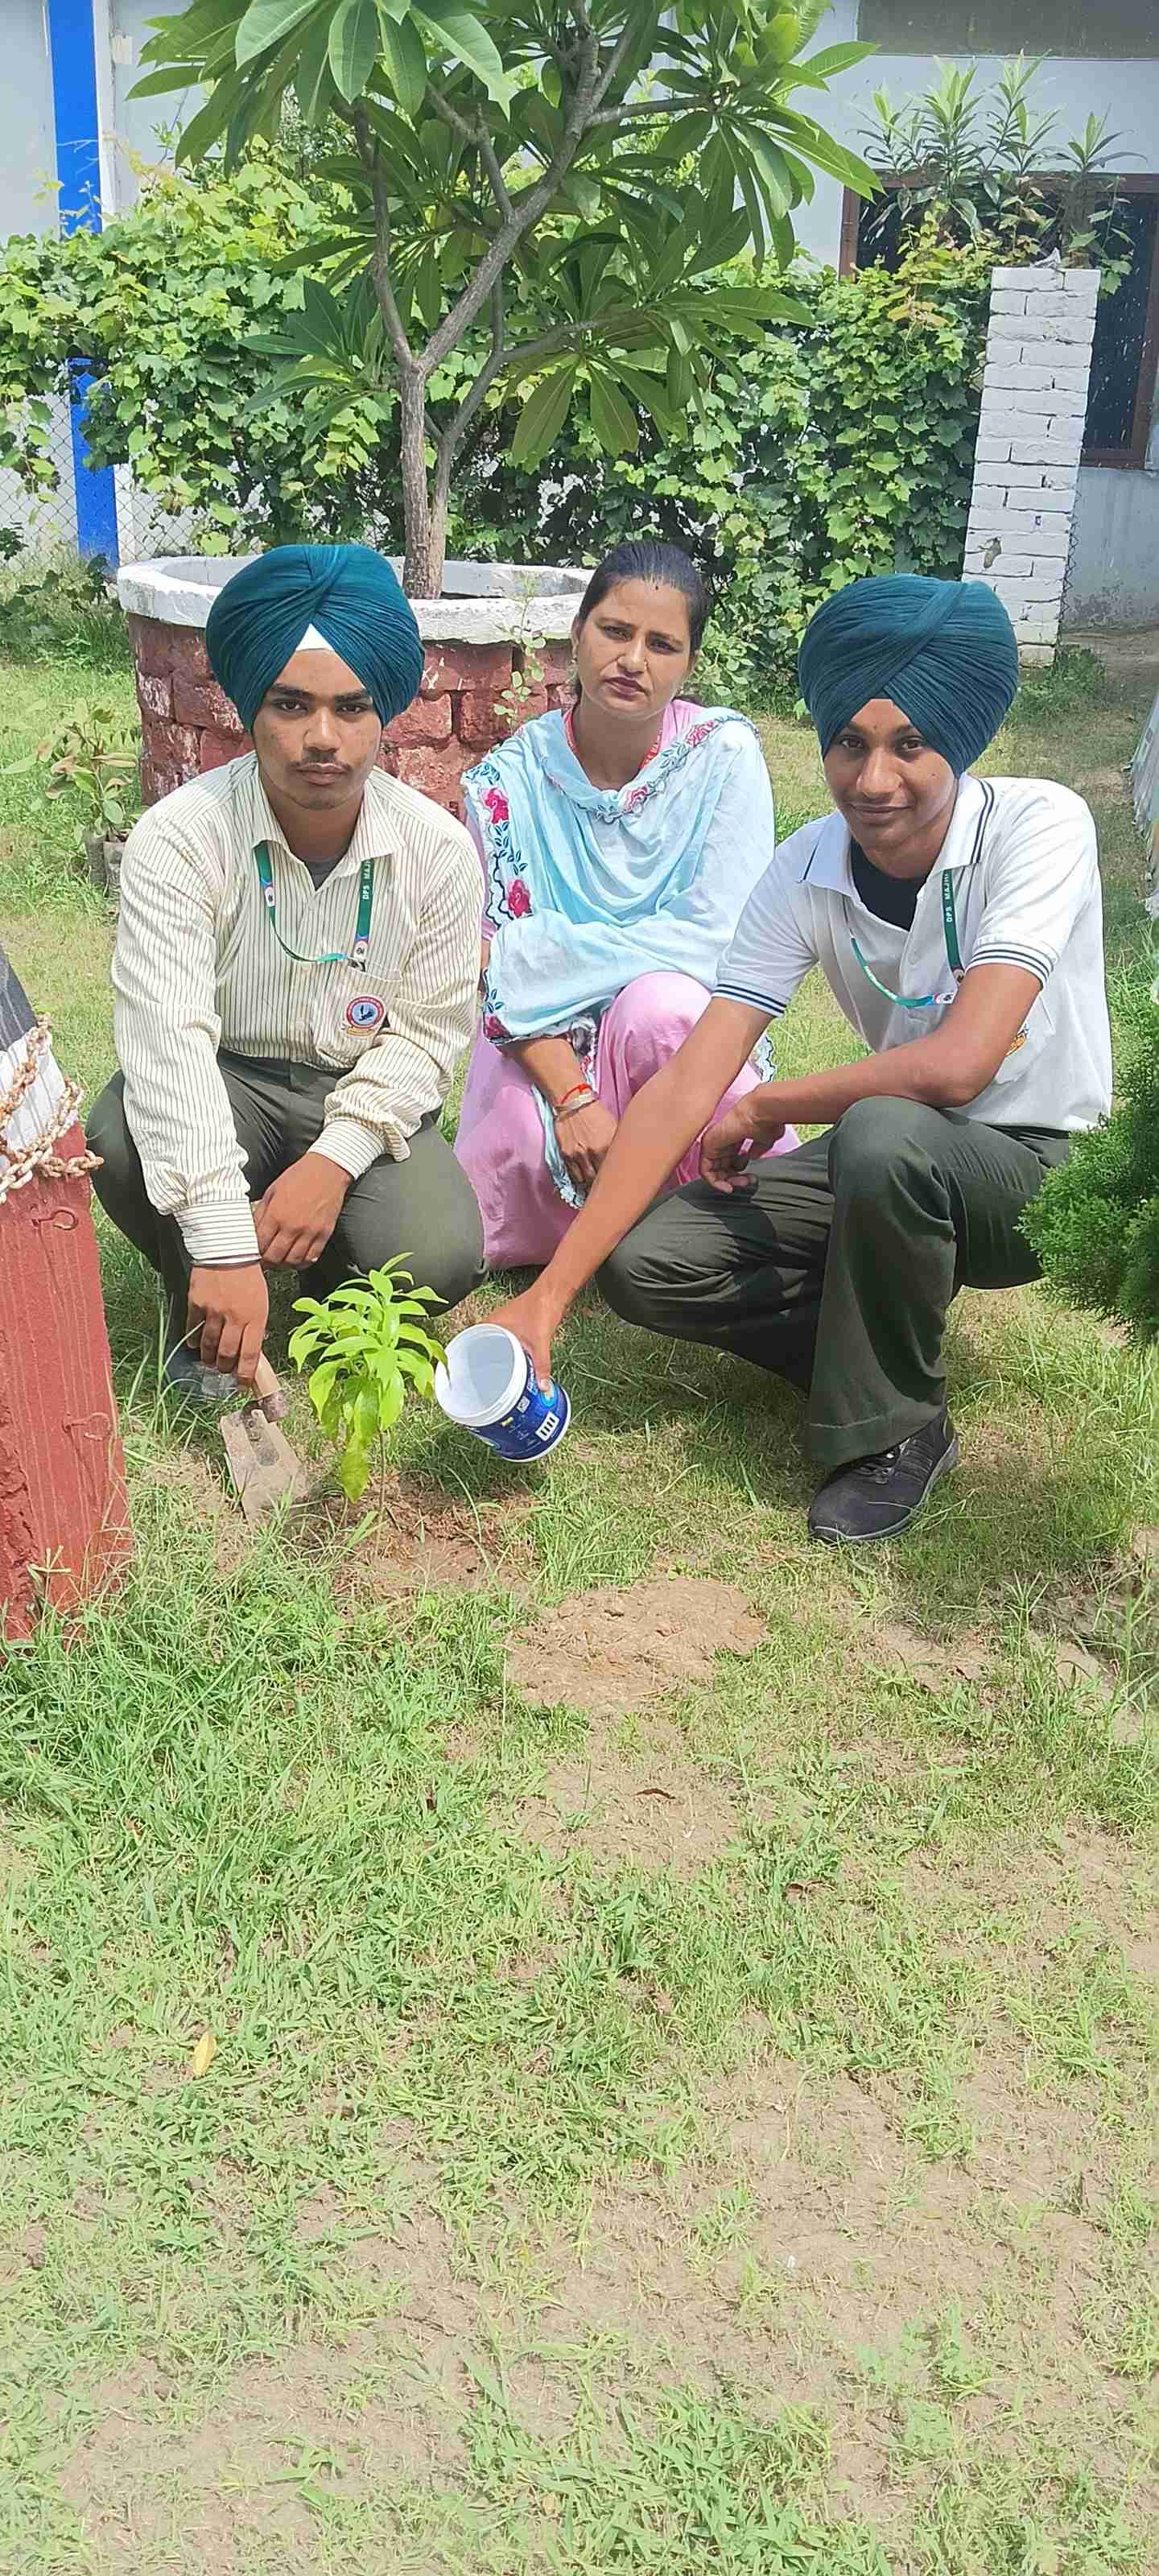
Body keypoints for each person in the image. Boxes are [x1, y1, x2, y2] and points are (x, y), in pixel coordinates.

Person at [488, 574, 1112, 1544]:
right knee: (649, 1262)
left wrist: (770, 1102)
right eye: (849, 743)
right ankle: (876, 1355)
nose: (874, 779)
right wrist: (548, 1298)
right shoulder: (807, 867)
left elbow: (960, 1065)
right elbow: (688, 1082)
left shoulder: (1039, 825)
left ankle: (896, 1429)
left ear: (960, 741)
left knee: (884, 1133)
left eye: (910, 745)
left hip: (1037, 1170)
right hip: (894, 1155)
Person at [89, 543, 485, 1399]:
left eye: (352, 707)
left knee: (440, 1251)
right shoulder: (181, 837)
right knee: (120, 1132)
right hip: (228, 1078)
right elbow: (169, 1041)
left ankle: (316, 1291)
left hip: (357, 1085)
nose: (323, 739)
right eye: (291, 704)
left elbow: (425, 1039)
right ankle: (208, 1297)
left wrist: (334, 1162)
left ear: (385, 713)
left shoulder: (438, 851)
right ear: (250, 709)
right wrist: (222, 1246)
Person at [453, 539, 798, 1266]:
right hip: (547, 1036)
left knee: (661, 1008)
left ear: (689, 664)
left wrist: (542, 952)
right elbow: (493, 973)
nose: (633, 660)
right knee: (523, 1136)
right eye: (615, 631)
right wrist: (573, 1097)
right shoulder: (508, 784)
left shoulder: (722, 755)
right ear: (577, 634)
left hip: (675, 1027)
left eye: (662, 644)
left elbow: (722, 944)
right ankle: (632, 1216)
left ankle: (717, 1210)